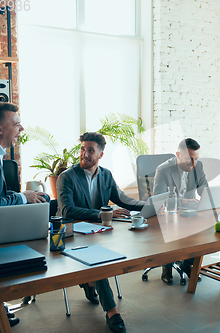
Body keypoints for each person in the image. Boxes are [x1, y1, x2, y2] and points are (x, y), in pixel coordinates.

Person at [57, 132, 145, 333]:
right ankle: (112, 312)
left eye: (90, 150)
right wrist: (104, 213)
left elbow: (123, 200)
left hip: (99, 232)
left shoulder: (106, 175)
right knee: (98, 260)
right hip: (72, 234)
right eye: (82, 149)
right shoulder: (67, 177)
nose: (84, 154)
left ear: (100, 154)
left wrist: (150, 205)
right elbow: (67, 210)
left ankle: (88, 281)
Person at [0, 102, 48, 330]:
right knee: (32, 248)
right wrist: (24, 197)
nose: (21, 128)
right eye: (16, 124)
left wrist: (23, 197)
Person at [153, 138, 208, 284]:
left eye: (196, 159)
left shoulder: (198, 166)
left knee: (205, 226)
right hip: (168, 214)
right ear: (178, 155)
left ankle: (187, 264)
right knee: (170, 226)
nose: (193, 163)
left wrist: (209, 200)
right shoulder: (162, 170)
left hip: (189, 213)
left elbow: (204, 191)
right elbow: (159, 199)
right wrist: (184, 202)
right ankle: (167, 266)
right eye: (190, 159)